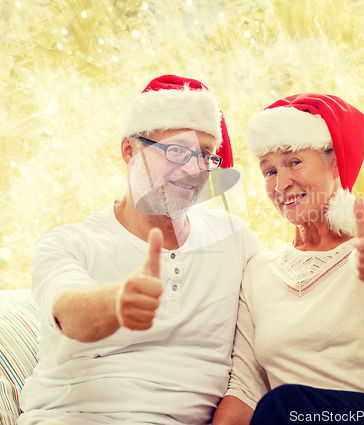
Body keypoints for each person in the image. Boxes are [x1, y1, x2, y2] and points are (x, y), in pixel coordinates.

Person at [18, 75, 265, 425]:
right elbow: (69, 312)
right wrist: (116, 303)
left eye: (205, 155)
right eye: (177, 150)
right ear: (129, 150)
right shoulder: (69, 242)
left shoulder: (235, 240)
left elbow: (252, 365)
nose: (194, 169)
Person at [213, 93, 364, 425]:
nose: (281, 183)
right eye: (269, 171)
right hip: (298, 417)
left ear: (335, 163)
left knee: (288, 405)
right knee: (284, 407)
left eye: (294, 162)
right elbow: (245, 389)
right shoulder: (258, 272)